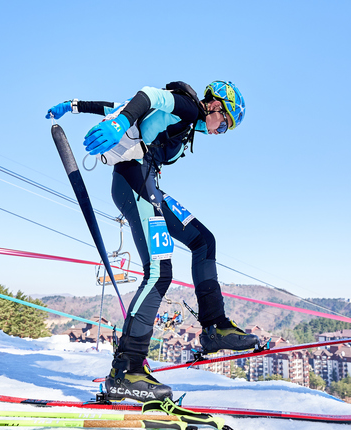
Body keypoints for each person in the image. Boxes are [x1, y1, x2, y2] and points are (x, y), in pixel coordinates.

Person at [46, 80, 259, 402]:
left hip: (148, 186)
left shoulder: (191, 123)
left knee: (204, 240)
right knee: (160, 272)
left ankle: (215, 328)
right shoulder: (188, 107)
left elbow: (115, 105)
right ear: (216, 106)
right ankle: (126, 370)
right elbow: (147, 95)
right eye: (225, 123)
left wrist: (74, 106)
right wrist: (119, 124)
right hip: (133, 183)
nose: (221, 131)